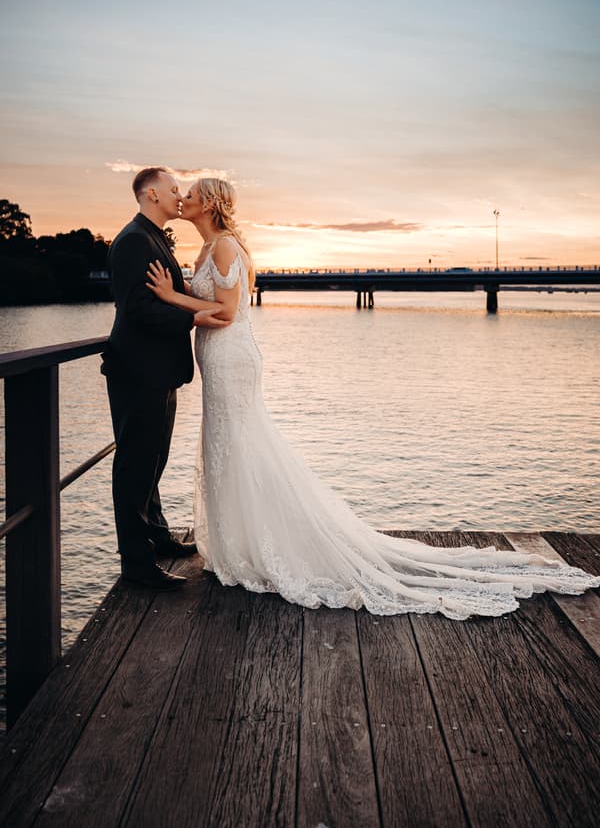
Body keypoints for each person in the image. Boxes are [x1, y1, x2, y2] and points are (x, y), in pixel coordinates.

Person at [146, 177, 600, 618]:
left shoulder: (225, 244)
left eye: (190, 194)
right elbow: (208, 302)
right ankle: (237, 543)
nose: (183, 199)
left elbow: (225, 313)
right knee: (227, 445)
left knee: (241, 445)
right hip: (215, 358)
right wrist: (180, 298)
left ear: (210, 203)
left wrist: (169, 296)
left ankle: (260, 545)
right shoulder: (205, 247)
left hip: (230, 357)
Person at [101, 167, 229, 590]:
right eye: (174, 189)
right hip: (138, 370)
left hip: (157, 370)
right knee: (135, 464)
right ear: (151, 194)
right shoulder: (134, 240)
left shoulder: (153, 237)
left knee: (153, 460)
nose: (179, 195)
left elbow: (166, 297)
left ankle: (156, 536)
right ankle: (137, 563)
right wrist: (193, 316)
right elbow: (138, 309)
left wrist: (185, 306)